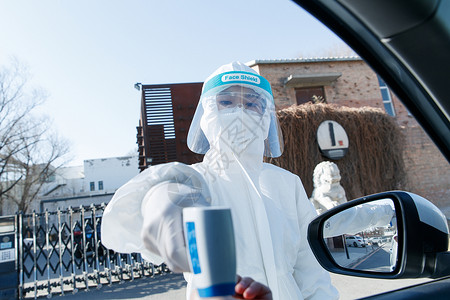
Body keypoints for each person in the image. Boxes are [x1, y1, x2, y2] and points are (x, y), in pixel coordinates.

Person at [101, 62, 339, 300]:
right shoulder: (196, 181)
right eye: (226, 102)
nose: (240, 111)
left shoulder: (287, 184)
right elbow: (121, 228)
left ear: (266, 115)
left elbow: (312, 272)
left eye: (251, 104)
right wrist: (154, 199)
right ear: (207, 113)